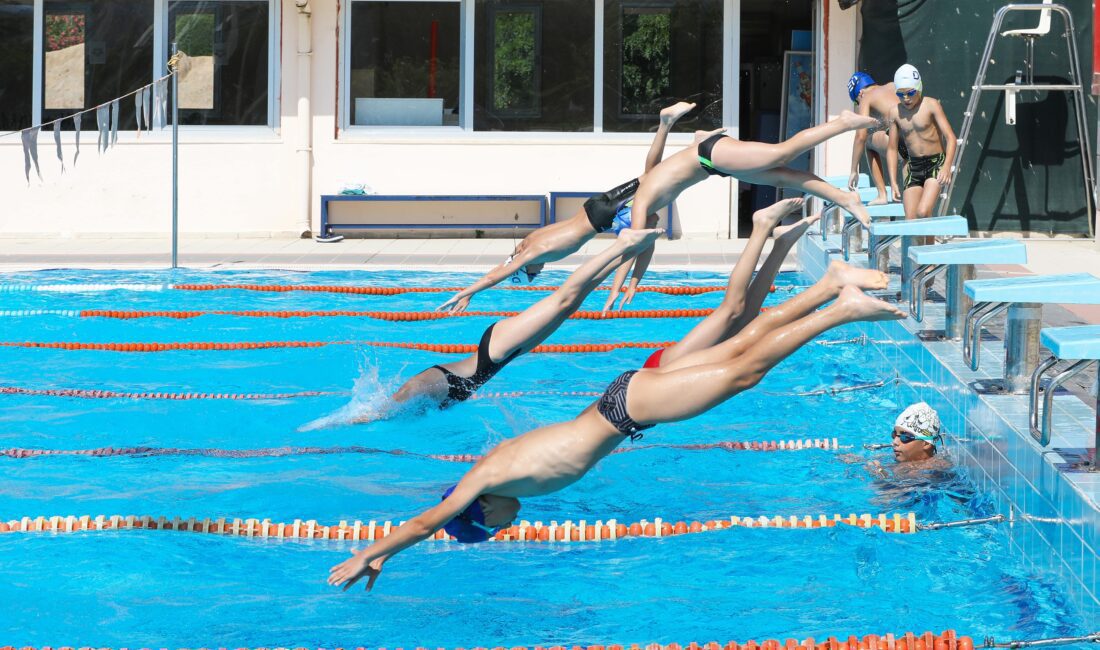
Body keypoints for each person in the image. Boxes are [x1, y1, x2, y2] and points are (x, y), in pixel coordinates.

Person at [327, 260, 903, 591]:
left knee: (743, 371)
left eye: (493, 529)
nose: (505, 527)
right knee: (737, 351)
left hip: (628, 409)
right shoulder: (496, 476)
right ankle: (831, 285)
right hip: (624, 403)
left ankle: (842, 307)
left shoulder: (486, 479)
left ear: (481, 513)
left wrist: (374, 554)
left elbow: (427, 521)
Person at [349, 228, 665, 424]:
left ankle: (620, 245)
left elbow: (403, 395)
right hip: (494, 361)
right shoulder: (417, 406)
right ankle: (626, 250)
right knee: (570, 305)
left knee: (563, 299)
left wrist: (360, 419)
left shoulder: (413, 390)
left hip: (494, 351)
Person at [436, 101, 704, 313]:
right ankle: (684, 137)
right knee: (649, 178)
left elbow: (496, 276)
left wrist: (467, 293)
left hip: (600, 218)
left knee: (649, 208)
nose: (537, 274)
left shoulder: (536, 252)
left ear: (526, 267)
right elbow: (505, 264)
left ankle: (670, 129)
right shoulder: (532, 240)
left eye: (531, 275)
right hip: (593, 207)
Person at [600, 110, 878, 313]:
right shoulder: (648, 194)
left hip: (710, 154)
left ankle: (842, 122)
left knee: (781, 154)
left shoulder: (641, 202)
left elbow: (632, 248)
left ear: (628, 219)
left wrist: (615, 288)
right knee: (784, 177)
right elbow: (644, 248)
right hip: (712, 162)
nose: (652, 228)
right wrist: (633, 284)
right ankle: (845, 198)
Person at [641, 197, 831, 369]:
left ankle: (762, 225)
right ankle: (783, 243)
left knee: (732, 310)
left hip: (661, 370)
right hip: (667, 377)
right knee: (745, 320)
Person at [886, 64, 958, 220]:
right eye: (900, 94)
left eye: (910, 93)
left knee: (923, 212)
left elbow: (951, 138)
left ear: (918, 89)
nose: (906, 98)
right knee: (911, 219)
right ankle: (926, 237)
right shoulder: (895, 112)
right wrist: (893, 182)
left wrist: (947, 167)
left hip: (936, 164)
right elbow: (891, 148)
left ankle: (930, 237)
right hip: (914, 166)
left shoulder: (931, 105)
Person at [846, 72, 903, 205]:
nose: (859, 105)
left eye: (856, 102)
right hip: (919, 141)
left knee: (868, 143)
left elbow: (860, 136)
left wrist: (854, 170)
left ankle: (882, 195)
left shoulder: (866, 97)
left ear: (860, 93)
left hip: (902, 145)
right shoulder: (892, 85)